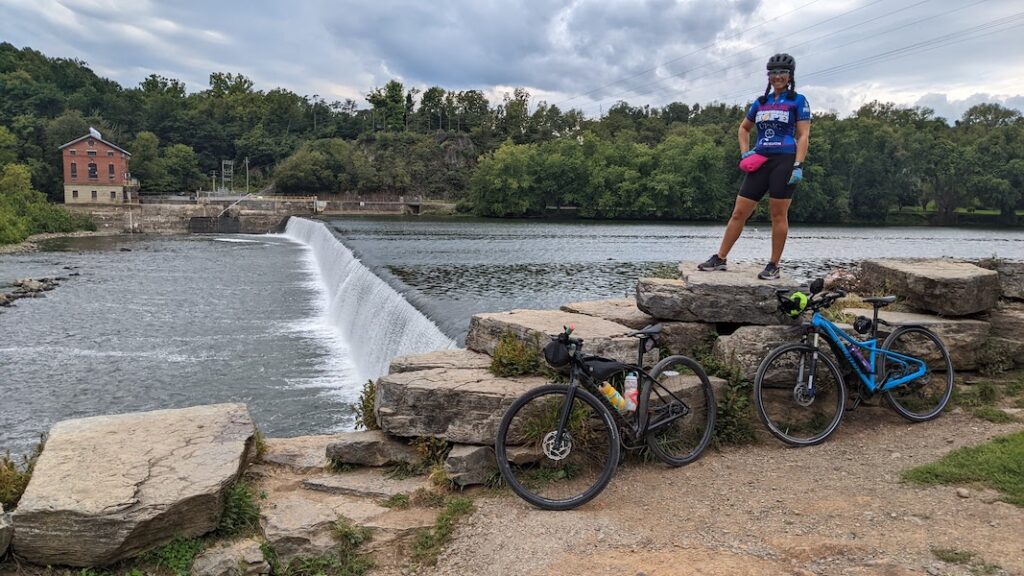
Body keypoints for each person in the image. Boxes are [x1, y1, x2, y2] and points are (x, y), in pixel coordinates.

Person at [698, 53, 811, 280]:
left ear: (790, 76)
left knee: (778, 215)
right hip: (760, 161)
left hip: (784, 160)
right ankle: (720, 258)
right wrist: (745, 152)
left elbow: (803, 135)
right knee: (739, 212)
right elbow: (743, 128)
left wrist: (798, 165)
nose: (777, 77)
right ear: (768, 76)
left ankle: (773, 265)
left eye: (782, 73)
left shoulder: (798, 101)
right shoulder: (760, 102)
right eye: (773, 73)